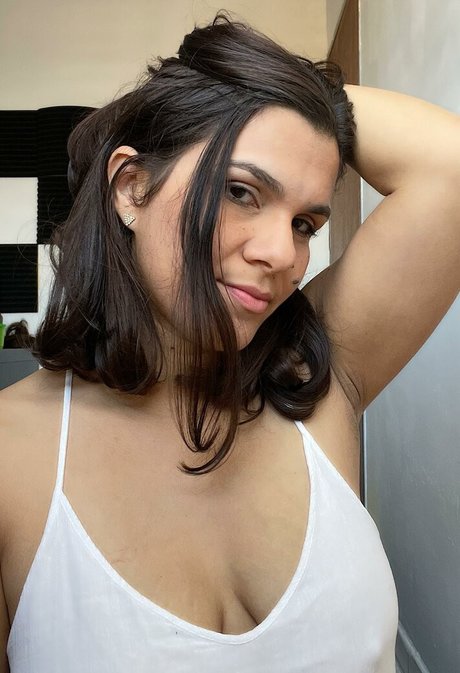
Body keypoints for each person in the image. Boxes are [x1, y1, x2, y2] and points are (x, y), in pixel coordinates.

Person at [0, 14, 459, 673]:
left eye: (304, 224)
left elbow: (450, 166)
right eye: (242, 191)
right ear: (132, 187)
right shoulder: (11, 455)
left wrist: (299, 95)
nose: (282, 254)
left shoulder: (317, 374)